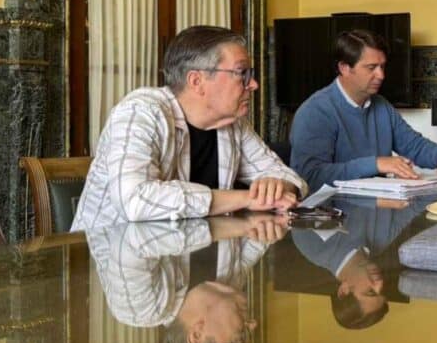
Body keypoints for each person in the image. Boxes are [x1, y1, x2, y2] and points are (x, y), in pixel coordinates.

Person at [72, 26, 307, 232]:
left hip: (186, 262)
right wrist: (246, 199)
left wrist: (277, 187)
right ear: (196, 81)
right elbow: (136, 201)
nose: (253, 84)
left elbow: (291, 178)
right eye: (242, 74)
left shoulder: (232, 123)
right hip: (107, 267)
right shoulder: (140, 112)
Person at [84, 215, 289, 343]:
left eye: (241, 338)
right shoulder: (228, 284)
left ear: (197, 335)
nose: (253, 324)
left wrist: (237, 225)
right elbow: (269, 222)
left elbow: (135, 236)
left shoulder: (140, 304)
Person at [290, 29, 437, 189]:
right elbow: (309, 176)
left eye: (382, 66)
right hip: (334, 215)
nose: (381, 75)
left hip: (375, 205)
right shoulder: (315, 111)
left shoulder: (381, 105)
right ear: (344, 68)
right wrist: (376, 164)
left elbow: (413, 145)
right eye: (371, 68)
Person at [291, 197, 424, 329]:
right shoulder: (380, 244)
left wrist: (373, 199)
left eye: (370, 291)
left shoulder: (311, 244)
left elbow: (322, 185)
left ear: (344, 290)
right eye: (381, 291)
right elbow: (416, 204)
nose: (380, 283)